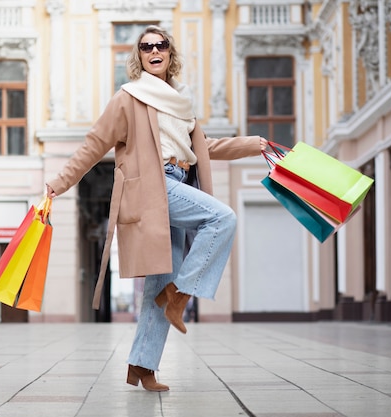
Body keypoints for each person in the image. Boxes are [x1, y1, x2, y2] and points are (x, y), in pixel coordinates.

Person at [46, 25, 267, 392]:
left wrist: (252, 145)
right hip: (153, 188)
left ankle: (142, 366)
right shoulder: (128, 98)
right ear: (139, 56)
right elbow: (94, 144)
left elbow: (204, 149)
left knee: (159, 282)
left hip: (180, 182)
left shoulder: (182, 101)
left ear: (169, 53)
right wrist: (59, 183)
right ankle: (179, 295)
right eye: (145, 46)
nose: (153, 50)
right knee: (222, 217)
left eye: (160, 44)